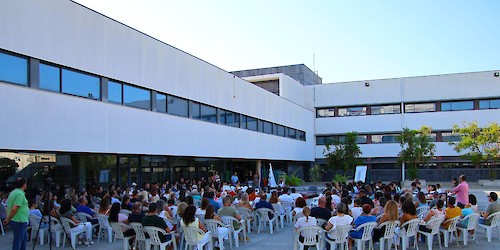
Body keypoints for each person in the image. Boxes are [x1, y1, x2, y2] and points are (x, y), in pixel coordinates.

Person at [4, 178, 30, 250]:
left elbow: (8, 207)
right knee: (18, 240)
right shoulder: (19, 194)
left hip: (18, 220)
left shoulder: (13, 192)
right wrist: (8, 219)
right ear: (24, 185)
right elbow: (14, 209)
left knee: (23, 238)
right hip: (19, 220)